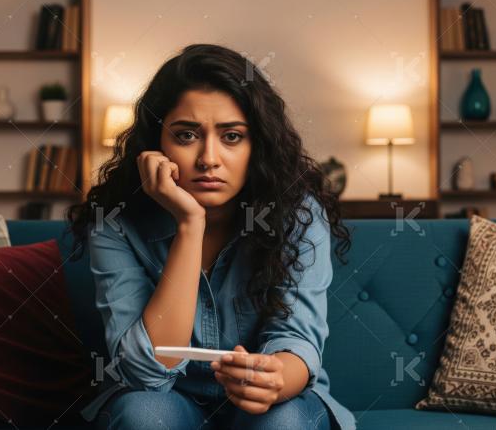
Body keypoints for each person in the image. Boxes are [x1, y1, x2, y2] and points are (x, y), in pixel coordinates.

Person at [66, 43, 354, 429]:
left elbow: (297, 339)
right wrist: (189, 224)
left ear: (258, 145)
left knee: (283, 423)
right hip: (167, 401)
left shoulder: (297, 215)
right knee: (142, 416)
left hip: (269, 405)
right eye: (186, 135)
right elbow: (146, 373)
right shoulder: (116, 222)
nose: (209, 159)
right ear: (156, 145)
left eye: (232, 136)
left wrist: (273, 379)